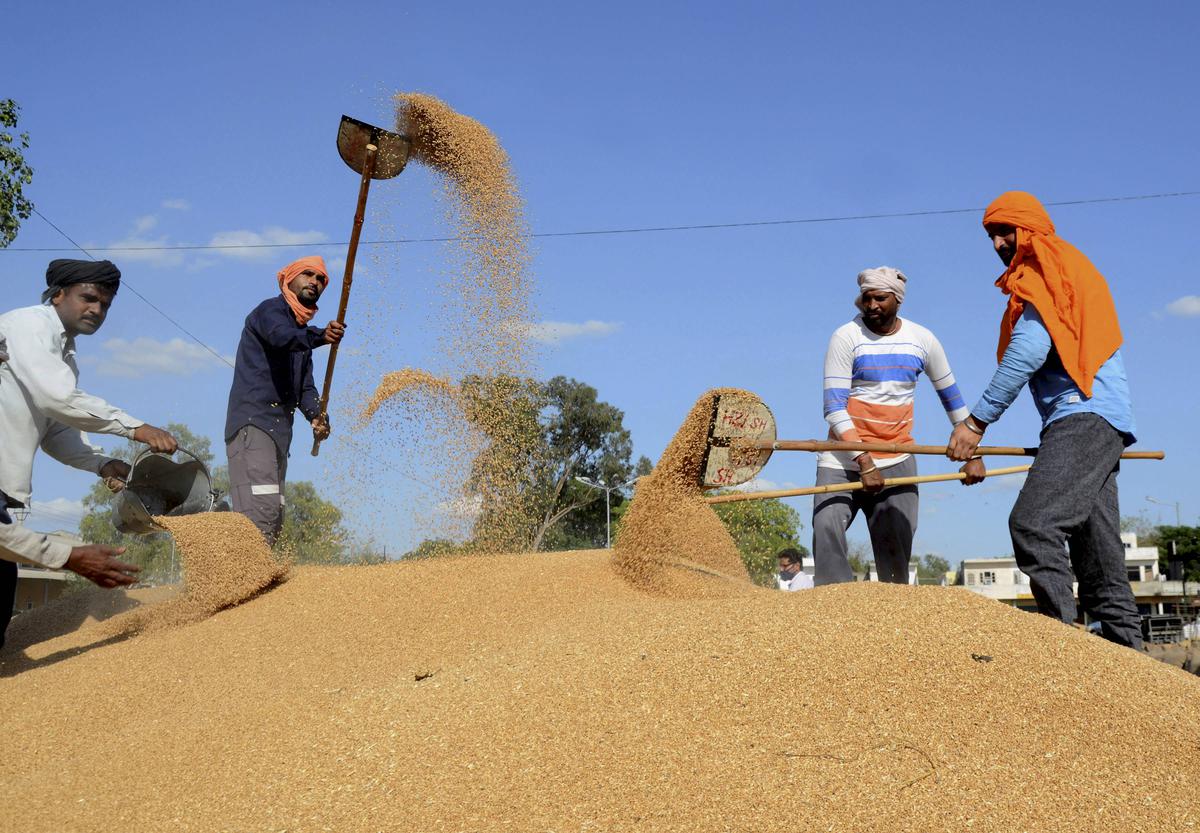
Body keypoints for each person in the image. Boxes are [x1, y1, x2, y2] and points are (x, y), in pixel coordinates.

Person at [947, 191, 1141, 649]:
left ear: (1030, 229)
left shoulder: (1046, 270)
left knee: (1033, 524)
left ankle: (1060, 653)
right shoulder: (1065, 268)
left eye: (1004, 231)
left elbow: (1028, 351)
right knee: (1100, 561)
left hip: (1083, 416)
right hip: (1099, 421)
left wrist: (976, 423)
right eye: (991, 235)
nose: (997, 244)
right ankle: (1140, 676)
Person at [0, 260, 179, 648]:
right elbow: (58, 399)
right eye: (89, 298)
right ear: (58, 294)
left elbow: (56, 429)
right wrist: (135, 427)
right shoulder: (28, 326)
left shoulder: (65, 354)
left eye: (105, 305)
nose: (97, 310)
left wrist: (102, 463)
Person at [814, 266, 983, 586]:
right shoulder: (845, 337)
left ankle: (893, 623)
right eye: (866, 298)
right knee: (826, 528)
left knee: (895, 558)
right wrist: (864, 460)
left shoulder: (923, 340)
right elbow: (834, 408)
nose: (872, 305)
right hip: (843, 459)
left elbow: (951, 396)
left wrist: (972, 452)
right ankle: (830, 612)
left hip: (898, 458)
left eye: (880, 298)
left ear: (897, 300)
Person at [225, 256, 345, 543]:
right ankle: (243, 579)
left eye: (321, 280)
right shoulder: (270, 312)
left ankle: (258, 577)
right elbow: (281, 337)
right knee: (260, 514)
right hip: (253, 425)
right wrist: (320, 336)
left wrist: (317, 415)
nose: (314, 283)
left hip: (280, 433)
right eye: (308, 275)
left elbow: (305, 388)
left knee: (273, 518)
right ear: (289, 278)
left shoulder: (301, 336)